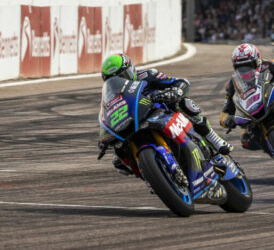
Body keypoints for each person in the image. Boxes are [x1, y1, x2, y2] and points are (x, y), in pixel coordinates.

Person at [98, 53, 230, 177]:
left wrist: (176, 91)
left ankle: (212, 137)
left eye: (122, 76)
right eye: (113, 80)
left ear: (131, 70)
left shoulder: (147, 75)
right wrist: (104, 137)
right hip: (135, 123)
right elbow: (106, 117)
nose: (119, 82)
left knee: (184, 103)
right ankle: (152, 176)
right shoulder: (109, 97)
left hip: (162, 111)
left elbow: (181, 82)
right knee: (118, 158)